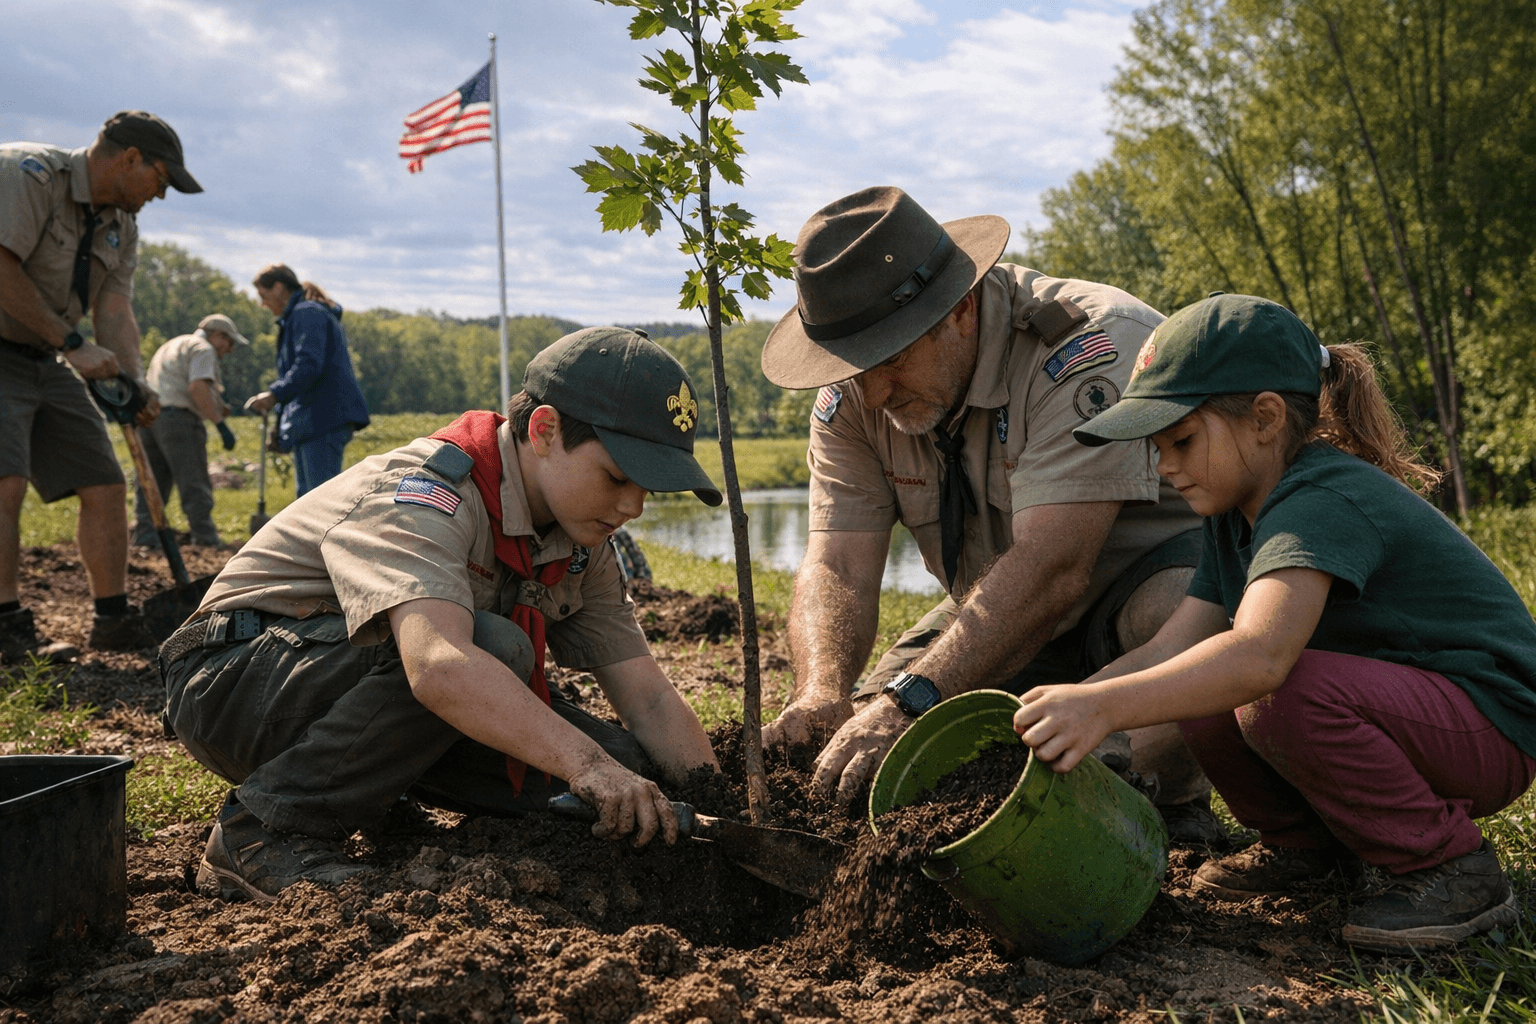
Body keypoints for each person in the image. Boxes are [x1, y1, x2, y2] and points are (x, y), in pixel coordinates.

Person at [1013, 293, 1536, 952]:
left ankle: (1452, 868)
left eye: (1180, 439)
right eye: (1155, 448)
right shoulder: (1233, 519)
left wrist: (1105, 711)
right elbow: (1174, 647)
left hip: (1491, 724)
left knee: (1269, 688)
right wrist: (1080, 702)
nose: (1165, 466)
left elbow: (1262, 655)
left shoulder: (1319, 498)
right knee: (1200, 687)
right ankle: (1303, 850)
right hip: (1414, 715)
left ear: (1263, 418)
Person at [160, 327, 724, 902]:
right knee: (495, 650)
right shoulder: (429, 492)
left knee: (636, 771)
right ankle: (260, 834)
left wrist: (717, 801)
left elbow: (647, 696)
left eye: (647, 489)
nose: (633, 507)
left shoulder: (583, 546)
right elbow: (439, 667)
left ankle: (381, 798)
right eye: (617, 478)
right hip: (232, 683)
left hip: (363, 692)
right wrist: (587, 765)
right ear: (545, 430)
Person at [758, 186, 1214, 838]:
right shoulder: (856, 394)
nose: (872, 391)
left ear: (963, 311)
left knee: (1179, 614)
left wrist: (915, 699)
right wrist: (823, 693)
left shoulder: (1089, 346)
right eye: (852, 367)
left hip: (1135, 602)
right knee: (861, 759)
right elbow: (837, 564)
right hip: (1006, 608)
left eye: (890, 358)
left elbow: (1054, 569)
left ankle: (1164, 799)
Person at [0, 110, 200, 659]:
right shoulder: (26, 175)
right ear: (130, 159)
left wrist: (133, 383)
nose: (160, 196)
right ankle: (5, 624)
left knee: (105, 482)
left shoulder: (122, 225)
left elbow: (114, 309)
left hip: (46, 354)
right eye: (160, 180)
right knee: (5, 481)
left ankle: (112, 619)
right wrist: (73, 345)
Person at [244, 264, 368, 496]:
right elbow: (300, 375)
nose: (262, 303)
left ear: (279, 288)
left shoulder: (307, 313)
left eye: (263, 295)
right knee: (307, 501)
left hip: (321, 417)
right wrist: (281, 423)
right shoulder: (299, 317)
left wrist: (273, 395)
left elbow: (309, 365)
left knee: (318, 501)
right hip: (310, 420)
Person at [132, 313, 249, 550]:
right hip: (179, 421)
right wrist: (219, 423)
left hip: (149, 419)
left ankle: (146, 538)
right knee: (193, 479)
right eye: (229, 343)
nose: (229, 350)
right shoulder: (203, 348)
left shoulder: (172, 344)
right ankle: (205, 538)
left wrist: (216, 403)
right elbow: (196, 387)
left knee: (152, 480)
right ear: (217, 335)